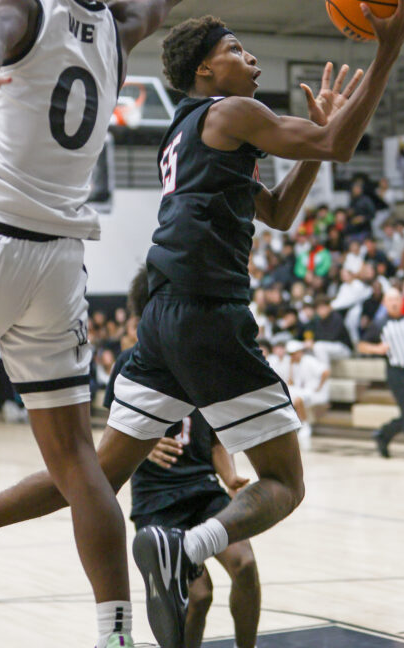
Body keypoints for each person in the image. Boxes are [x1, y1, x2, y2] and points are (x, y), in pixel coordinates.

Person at [0, 0, 404, 648]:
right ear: (206, 70)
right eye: (238, 50)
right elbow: (335, 145)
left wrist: (322, 131)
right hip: (209, 312)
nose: (254, 59)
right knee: (285, 481)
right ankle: (185, 548)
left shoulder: (188, 133)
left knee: (94, 475)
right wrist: (387, 52)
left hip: (163, 316)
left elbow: (280, 212)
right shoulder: (231, 112)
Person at [0, 0, 290, 648]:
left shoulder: (17, 0)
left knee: (82, 462)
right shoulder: (121, 25)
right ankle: (114, 631)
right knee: (80, 461)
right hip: (58, 261)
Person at [103, 268, 260, 648]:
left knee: (246, 565)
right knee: (199, 597)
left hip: (203, 489)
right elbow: (112, 443)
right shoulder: (130, 363)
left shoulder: (205, 360)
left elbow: (215, 439)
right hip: (156, 498)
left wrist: (230, 476)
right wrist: (144, 446)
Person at [358, 288, 404, 477]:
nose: (394, 303)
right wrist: (377, 349)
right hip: (396, 374)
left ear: (402, 302)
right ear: (385, 303)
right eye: (390, 300)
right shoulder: (379, 324)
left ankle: (384, 434)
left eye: (397, 299)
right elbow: (362, 345)